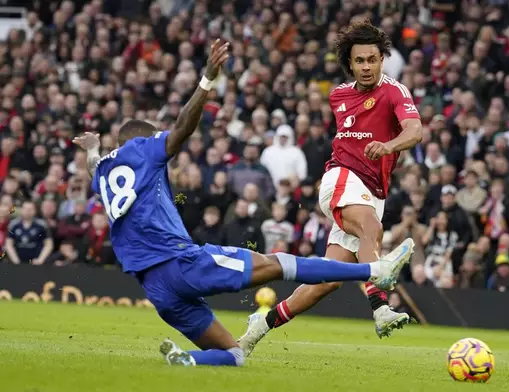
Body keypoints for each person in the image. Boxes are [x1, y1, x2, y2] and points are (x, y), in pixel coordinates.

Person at [71, 40, 414, 368]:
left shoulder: (102, 171)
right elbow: (179, 131)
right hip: (183, 263)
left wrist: (91, 151)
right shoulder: (143, 149)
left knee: (235, 353)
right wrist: (207, 79)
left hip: (156, 288)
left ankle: (198, 354)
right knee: (279, 262)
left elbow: (93, 166)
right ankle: (377, 283)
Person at [238, 20, 423, 355]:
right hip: (340, 179)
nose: (367, 66)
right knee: (371, 227)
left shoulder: (395, 91)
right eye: (359, 61)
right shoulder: (338, 95)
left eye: (372, 59)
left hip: (371, 191)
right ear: (349, 64)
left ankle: (259, 326)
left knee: (329, 279)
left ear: (382, 60)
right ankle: (380, 307)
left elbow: (415, 131)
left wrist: (390, 145)